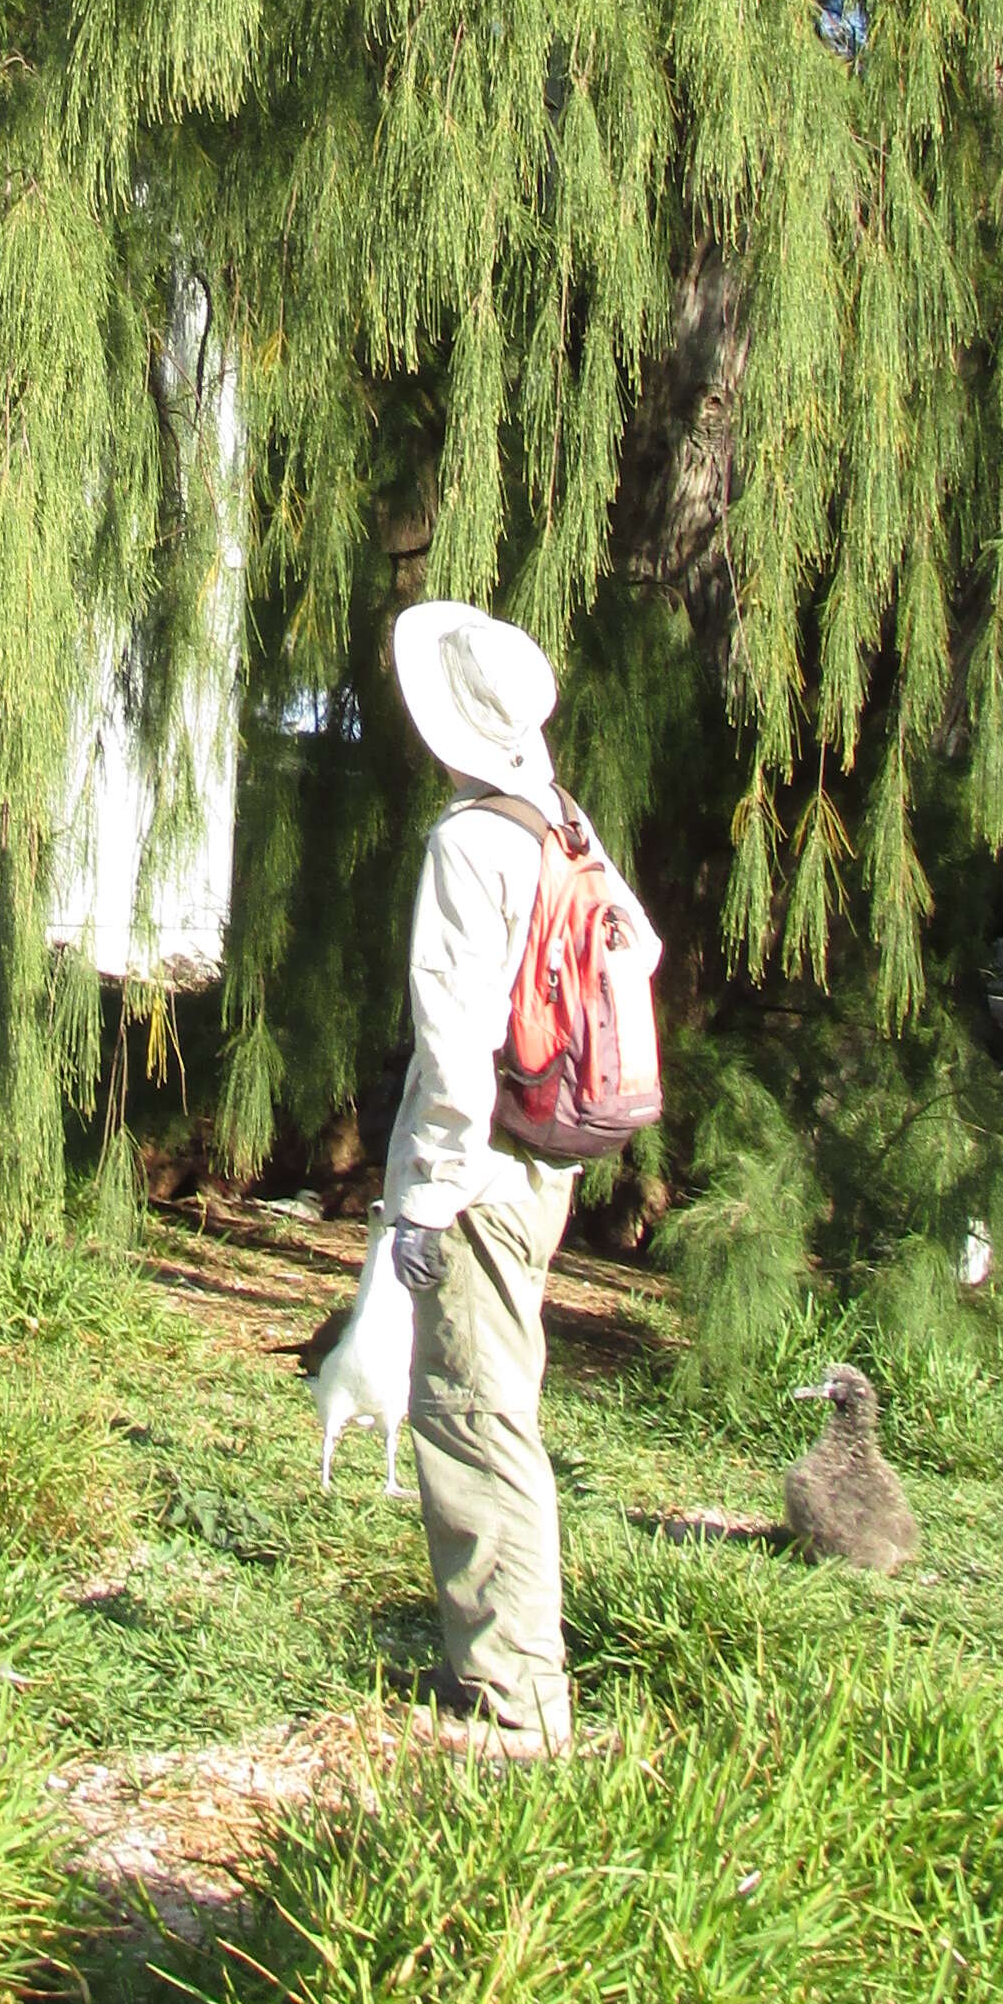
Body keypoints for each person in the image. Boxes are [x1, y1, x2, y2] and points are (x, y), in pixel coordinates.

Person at [377, 599, 581, 1758]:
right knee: (498, 1403)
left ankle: (511, 1705)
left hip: (480, 1172)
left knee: (472, 1414)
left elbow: (454, 1038)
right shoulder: (560, 823)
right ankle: (498, 1667)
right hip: (542, 1161)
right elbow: (632, 956)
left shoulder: (471, 840)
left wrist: (427, 1192)